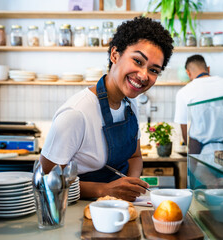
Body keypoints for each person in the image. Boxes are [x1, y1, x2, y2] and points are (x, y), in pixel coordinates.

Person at [39, 17, 173, 202]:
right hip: (78, 210)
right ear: (115, 55)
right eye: (137, 61)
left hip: (120, 205)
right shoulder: (76, 113)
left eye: (154, 70)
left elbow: (135, 156)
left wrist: (131, 184)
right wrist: (104, 190)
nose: (144, 75)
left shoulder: (130, 103)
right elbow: (46, 180)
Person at [174, 54, 223, 154]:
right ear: (208, 69)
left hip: (204, 154)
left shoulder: (184, 92)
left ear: (188, 73)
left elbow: (184, 127)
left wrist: (190, 151)